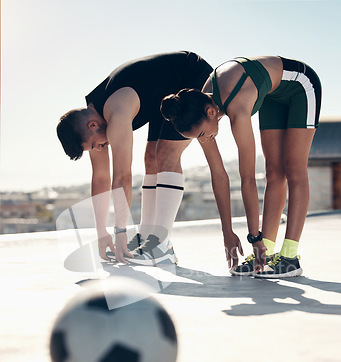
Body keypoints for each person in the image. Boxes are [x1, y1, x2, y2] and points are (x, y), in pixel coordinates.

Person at [57, 51, 242, 267]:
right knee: (150, 159)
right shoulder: (93, 120)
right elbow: (100, 179)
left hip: (189, 77)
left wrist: (120, 232)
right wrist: (101, 233)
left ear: (92, 125)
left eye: (93, 145)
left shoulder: (116, 113)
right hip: (161, 94)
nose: (99, 148)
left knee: (165, 153)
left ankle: (161, 245)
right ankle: (147, 239)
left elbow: (122, 177)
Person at [160, 56, 322, 278]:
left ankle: (290, 257)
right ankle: (265, 254)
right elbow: (219, 175)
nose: (205, 139)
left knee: (293, 168)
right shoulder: (196, 105)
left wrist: (253, 237)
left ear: (210, 113)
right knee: (273, 172)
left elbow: (247, 179)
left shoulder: (237, 107)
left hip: (301, 86)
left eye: (201, 134)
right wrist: (227, 232)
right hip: (272, 96)